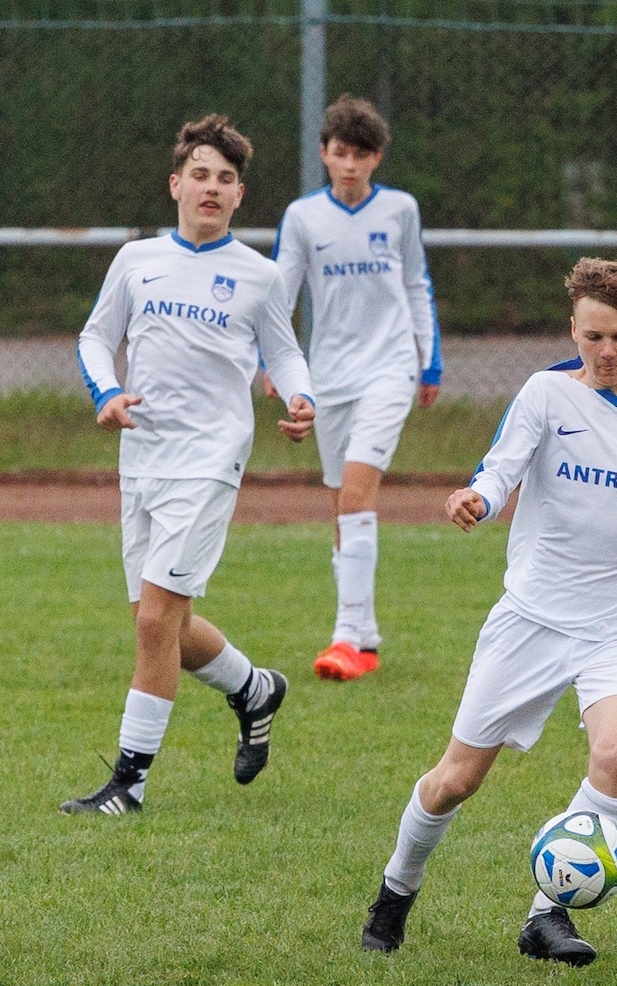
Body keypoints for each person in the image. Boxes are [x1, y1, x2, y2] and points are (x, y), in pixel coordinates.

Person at [360, 257, 617, 965]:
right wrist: (476, 500)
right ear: (572, 329)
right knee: (456, 780)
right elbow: (501, 468)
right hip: (532, 618)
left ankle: (546, 917)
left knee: (616, 753)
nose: (606, 353)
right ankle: (396, 891)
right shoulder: (546, 393)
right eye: (592, 337)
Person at [62, 114, 316, 815]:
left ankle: (129, 786)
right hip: (143, 455)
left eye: (225, 179)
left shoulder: (259, 275)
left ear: (239, 195)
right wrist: (107, 392)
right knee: (163, 621)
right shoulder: (135, 260)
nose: (211, 187)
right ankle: (254, 689)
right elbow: (94, 338)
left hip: (211, 459)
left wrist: (301, 396)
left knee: (155, 623)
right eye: (200, 174)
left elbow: (284, 352)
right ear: (175, 184)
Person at [270, 93, 442, 683]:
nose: (349, 165)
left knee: (357, 492)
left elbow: (416, 282)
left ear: (377, 158)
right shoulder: (302, 217)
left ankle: (344, 637)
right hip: (329, 376)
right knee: (341, 502)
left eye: (360, 155)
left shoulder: (399, 210)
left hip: (390, 368)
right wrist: (274, 361)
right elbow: (281, 292)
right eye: (340, 153)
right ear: (323, 153)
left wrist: (429, 361)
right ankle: (365, 637)